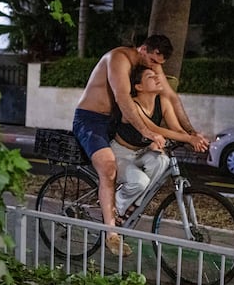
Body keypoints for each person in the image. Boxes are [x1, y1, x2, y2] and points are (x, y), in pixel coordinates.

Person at [72, 35, 208, 255]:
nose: (156, 68)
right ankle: (111, 235)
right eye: (153, 61)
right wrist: (147, 131)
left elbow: (171, 97)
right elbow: (123, 98)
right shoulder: (118, 58)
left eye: (159, 64)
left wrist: (192, 133)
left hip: (114, 121)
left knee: (157, 162)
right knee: (108, 167)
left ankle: (123, 207)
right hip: (91, 119)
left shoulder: (151, 65)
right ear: (143, 49)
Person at [112, 66, 205, 220]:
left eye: (156, 75)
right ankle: (115, 209)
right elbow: (154, 128)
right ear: (138, 87)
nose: (157, 78)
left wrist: (195, 140)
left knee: (162, 160)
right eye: (150, 76)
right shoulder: (133, 106)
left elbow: (176, 128)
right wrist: (189, 139)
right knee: (140, 182)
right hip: (120, 153)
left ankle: (135, 205)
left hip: (141, 152)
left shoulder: (162, 101)